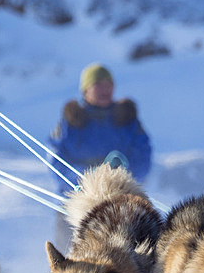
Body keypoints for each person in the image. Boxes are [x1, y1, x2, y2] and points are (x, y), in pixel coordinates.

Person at [49, 63, 152, 249]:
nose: (105, 89)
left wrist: (119, 177)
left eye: (109, 84)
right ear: (86, 89)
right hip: (74, 204)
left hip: (121, 207)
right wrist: (88, 178)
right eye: (99, 84)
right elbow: (56, 161)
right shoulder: (71, 120)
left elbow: (143, 157)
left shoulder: (128, 119)